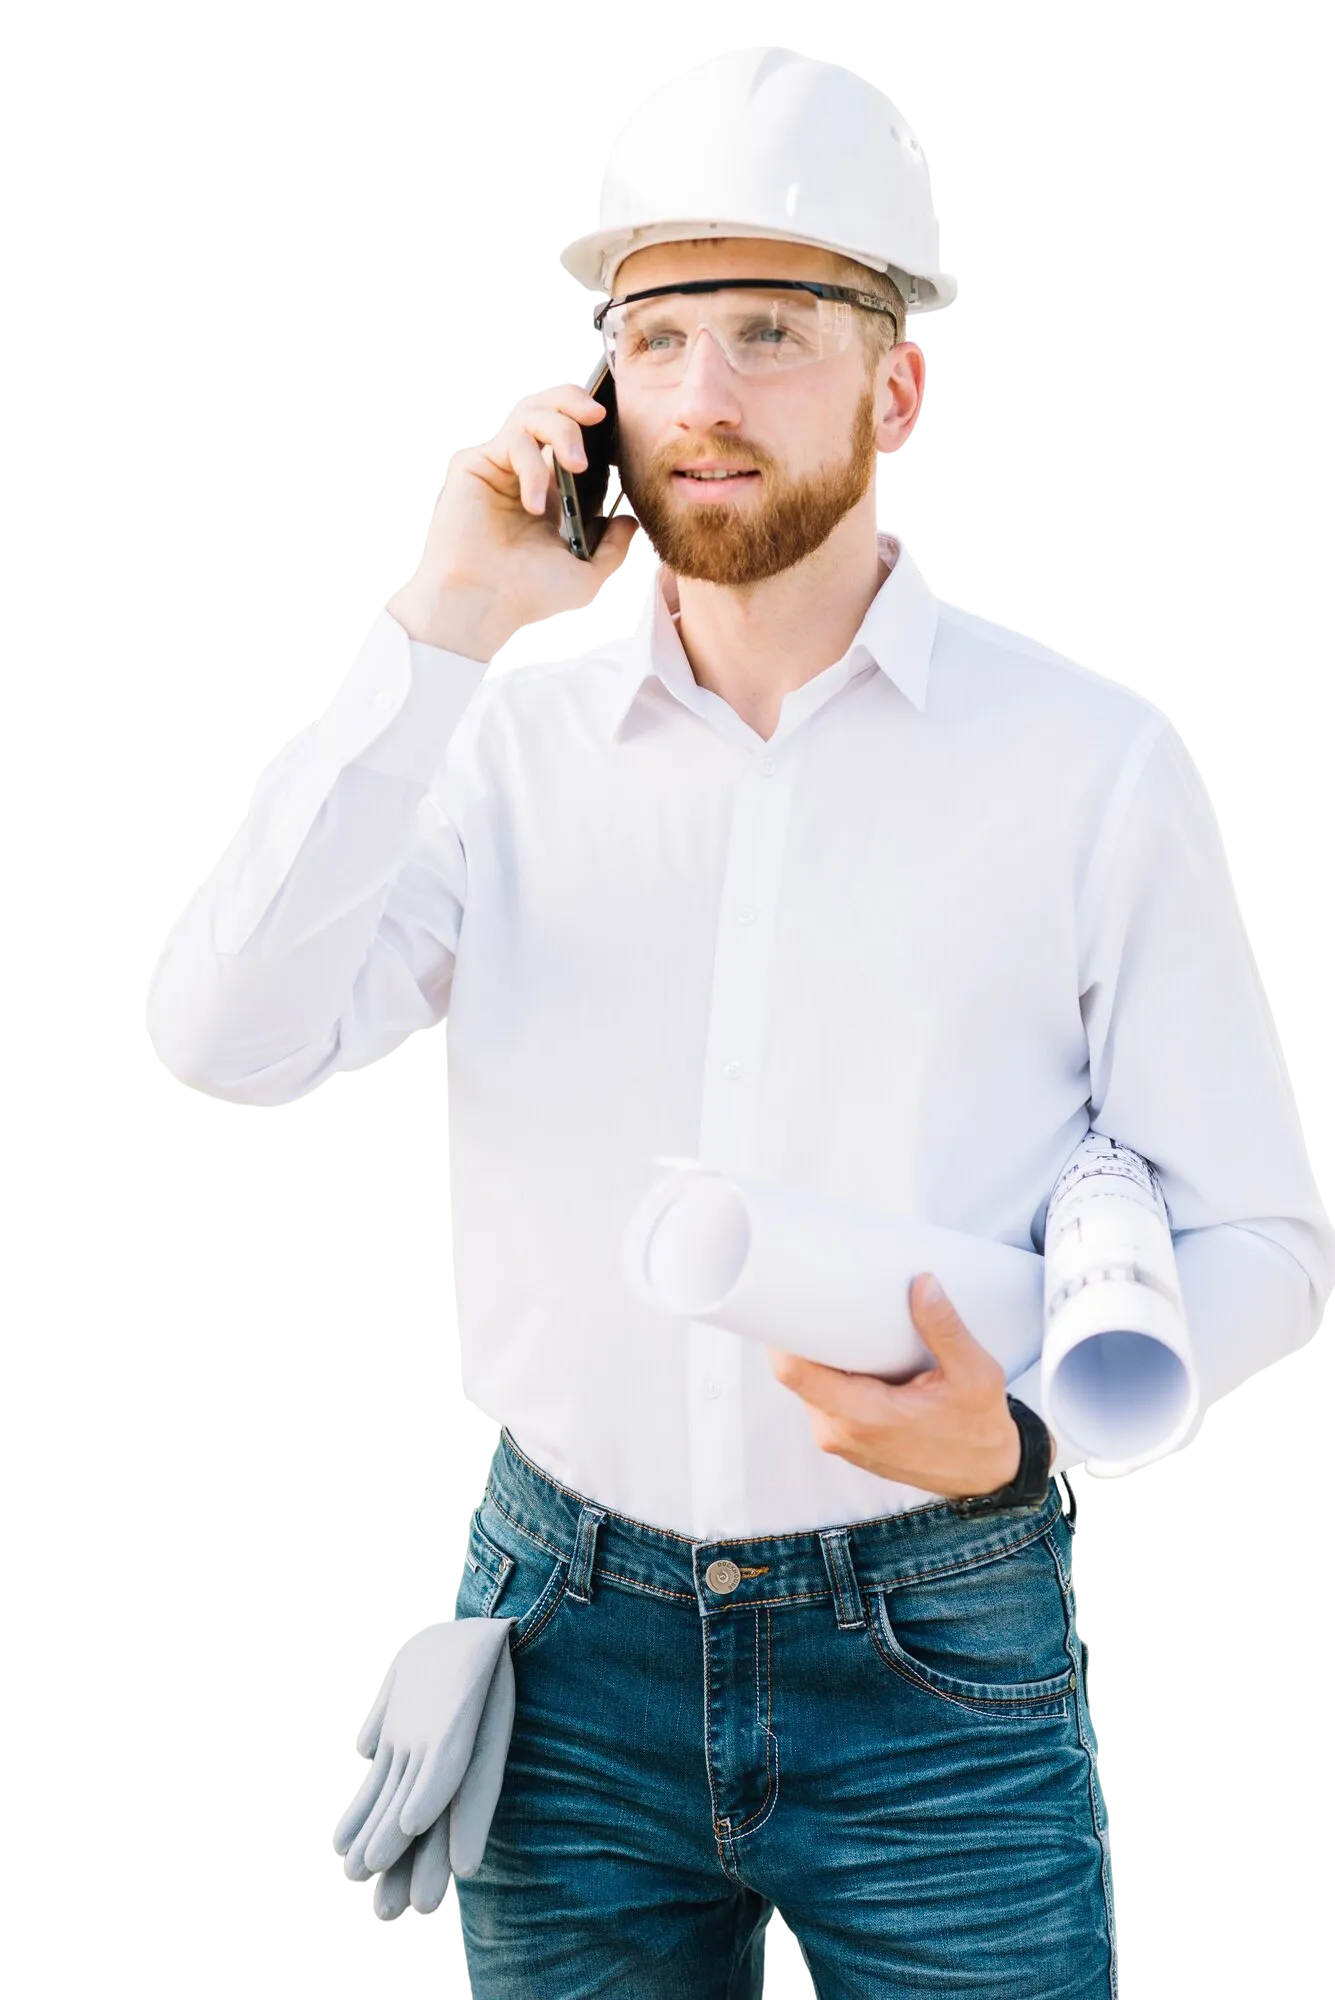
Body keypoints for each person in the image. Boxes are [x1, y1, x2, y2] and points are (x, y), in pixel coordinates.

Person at [146, 41, 1331, 1999]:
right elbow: (220, 1037)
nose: (701, 397)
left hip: (936, 1645)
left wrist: (1029, 1426)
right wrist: (441, 626)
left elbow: (1263, 1243)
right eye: (656, 333)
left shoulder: (1091, 761)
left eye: (771, 332)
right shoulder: (494, 744)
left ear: (899, 382)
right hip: (557, 1631)